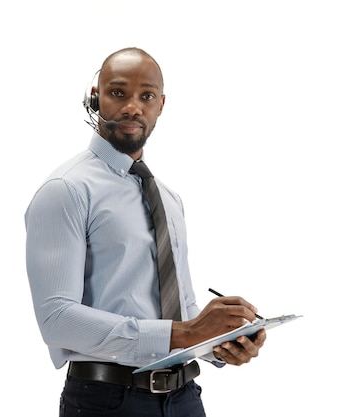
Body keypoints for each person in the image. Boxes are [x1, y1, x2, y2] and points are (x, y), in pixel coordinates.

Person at [25, 47, 266, 417]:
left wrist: (221, 341)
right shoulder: (66, 190)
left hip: (185, 398)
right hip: (107, 401)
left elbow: (182, 312)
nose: (133, 107)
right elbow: (57, 319)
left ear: (161, 105)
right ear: (95, 99)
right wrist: (185, 333)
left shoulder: (168, 199)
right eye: (118, 93)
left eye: (146, 96)